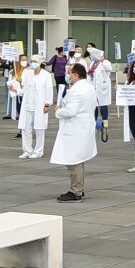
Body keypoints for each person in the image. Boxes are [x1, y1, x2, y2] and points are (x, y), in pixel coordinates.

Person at [52, 64, 97, 202]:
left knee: (73, 161)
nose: (67, 75)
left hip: (75, 129)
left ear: (76, 74)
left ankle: (76, 191)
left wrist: (58, 111)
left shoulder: (76, 91)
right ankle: (78, 188)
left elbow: (70, 111)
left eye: (69, 73)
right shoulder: (89, 87)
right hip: (84, 127)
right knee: (78, 159)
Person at [18, 55, 53, 159]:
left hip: (40, 106)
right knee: (25, 129)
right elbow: (25, 89)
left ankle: (38, 151)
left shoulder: (46, 75)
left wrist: (47, 104)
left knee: (39, 129)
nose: (32, 63)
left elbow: (49, 90)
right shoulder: (28, 74)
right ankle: (27, 150)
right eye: (31, 61)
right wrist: (16, 89)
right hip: (28, 105)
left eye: (35, 61)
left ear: (40, 63)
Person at [86, 48, 112, 128]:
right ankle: (94, 122)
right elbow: (89, 74)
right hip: (94, 87)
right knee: (95, 105)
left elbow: (109, 69)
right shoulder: (93, 63)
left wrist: (101, 61)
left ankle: (105, 123)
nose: (91, 56)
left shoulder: (105, 62)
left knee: (103, 105)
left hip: (103, 87)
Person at [5, 55, 27, 137]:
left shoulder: (28, 71)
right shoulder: (14, 71)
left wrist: (21, 81)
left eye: (25, 60)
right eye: (23, 60)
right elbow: (10, 82)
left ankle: (24, 131)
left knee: (24, 113)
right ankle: (21, 130)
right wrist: (10, 86)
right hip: (18, 95)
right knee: (20, 113)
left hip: (24, 95)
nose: (24, 61)